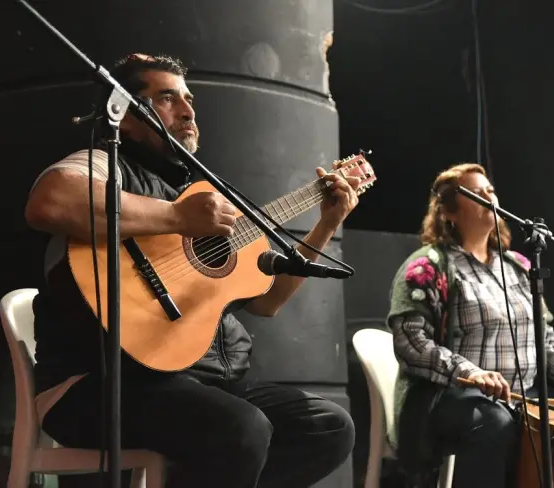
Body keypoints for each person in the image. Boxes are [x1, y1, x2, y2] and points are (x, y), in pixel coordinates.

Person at [24, 54, 357, 488]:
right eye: (167, 98)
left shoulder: (203, 193)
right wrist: (178, 218)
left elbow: (269, 302)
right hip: (100, 382)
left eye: (188, 99)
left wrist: (327, 223)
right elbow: (50, 200)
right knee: (240, 427)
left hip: (203, 382)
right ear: (125, 117)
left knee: (328, 426)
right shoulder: (108, 164)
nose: (187, 111)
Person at [386, 163, 554, 488]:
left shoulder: (518, 266)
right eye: (476, 193)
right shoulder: (429, 266)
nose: (489, 197)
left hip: (523, 393)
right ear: (448, 212)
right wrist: (471, 373)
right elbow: (410, 343)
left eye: (490, 191)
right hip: (453, 395)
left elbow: (544, 337)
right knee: (494, 422)